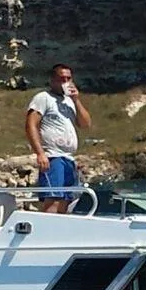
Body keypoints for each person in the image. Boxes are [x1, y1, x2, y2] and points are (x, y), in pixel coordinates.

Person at [25, 63, 92, 213]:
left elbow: (85, 123)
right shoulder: (43, 98)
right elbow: (31, 124)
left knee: (66, 200)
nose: (65, 82)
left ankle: (57, 231)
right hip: (53, 156)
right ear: (52, 80)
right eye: (62, 79)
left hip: (68, 158)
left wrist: (76, 100)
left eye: (68, 79)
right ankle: (46, 232)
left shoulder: (69, 102)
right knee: (53, 198)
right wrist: (40, 153)